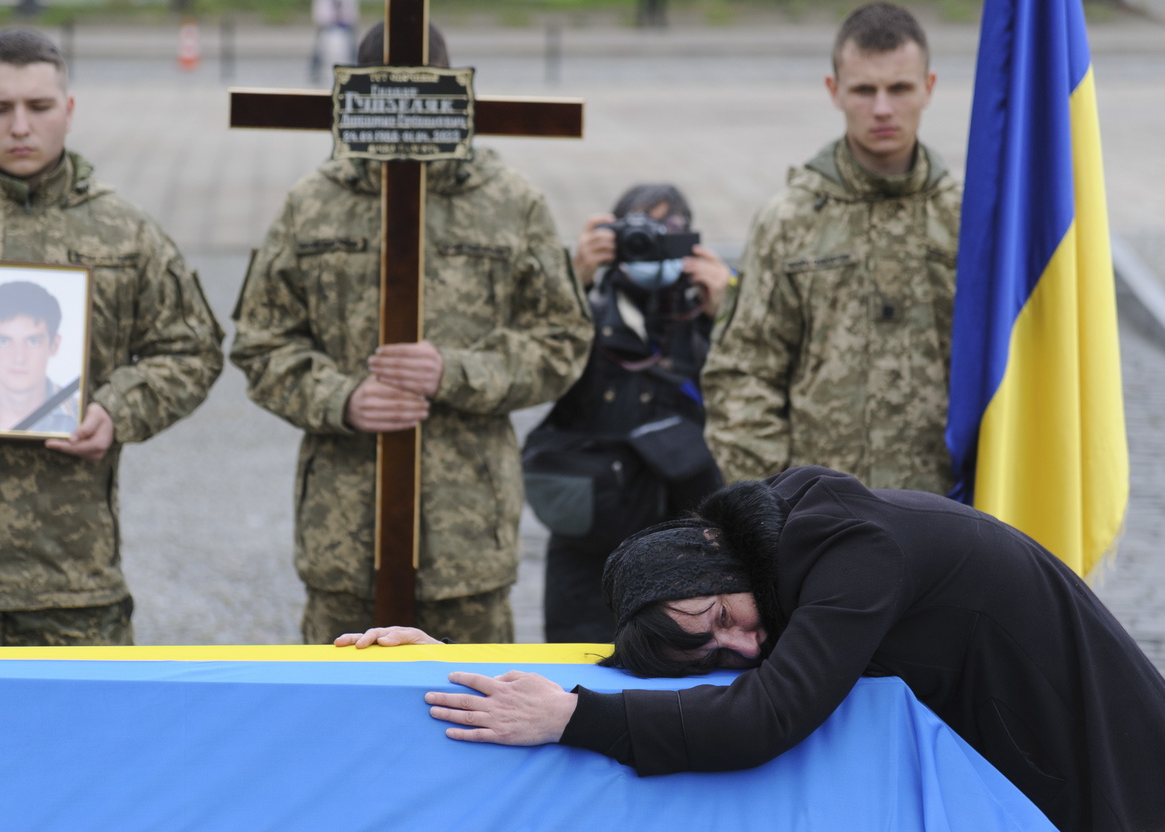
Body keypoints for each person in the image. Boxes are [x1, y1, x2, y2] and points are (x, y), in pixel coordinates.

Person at [348, 466, 1165, 832]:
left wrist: (569, 722)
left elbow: (766, 719)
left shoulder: (851, 549)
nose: (746, 642)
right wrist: (450, 661)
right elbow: (642, 679)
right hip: (1010, 745)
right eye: (716, 647)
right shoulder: (770, 564)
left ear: (720, 556)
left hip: (1096, 742)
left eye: (722, 612)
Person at [229, 22, 593, 645]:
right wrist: (342, 397)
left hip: (466, 537)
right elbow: (260, 343)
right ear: (353, 99)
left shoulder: (510, 202)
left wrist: (454, 372)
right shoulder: (312, 203)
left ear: (457, 94)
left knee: (474, 717)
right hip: (344, 531)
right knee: (336, 723)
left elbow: (563, 338)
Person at [0, 29, 224, 646]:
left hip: (76, 575)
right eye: (0, 109)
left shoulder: (125, 234)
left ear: (70, 110)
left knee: (87, 743)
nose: (21, 127)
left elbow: (192, 348)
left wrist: (118, 409)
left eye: (40, 106)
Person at [701, 2, 960, 494]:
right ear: (834, 91)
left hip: (950, 517)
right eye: (864, 89)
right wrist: (779, 503)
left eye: (899, 88)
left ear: (928, 89)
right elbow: (741, 374)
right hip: (822, 521)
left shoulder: (969, 220)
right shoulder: (790, 220)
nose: (882, 108)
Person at [523, 184, 730, 642]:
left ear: (690, 243)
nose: (651, 245)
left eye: (668, 231)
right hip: (591, 533)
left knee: (680, 664)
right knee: (577, 660)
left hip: (685, 533)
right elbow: (529, 365)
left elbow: (754, 388)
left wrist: (728, 312)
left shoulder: (710, 306)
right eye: (638, 231)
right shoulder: (584, 307)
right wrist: (572, 282)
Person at [0, 280, 80, 434]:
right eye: (4, 341)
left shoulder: (84, 419)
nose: (19, 358)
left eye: (33, 341)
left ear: (54, 345)